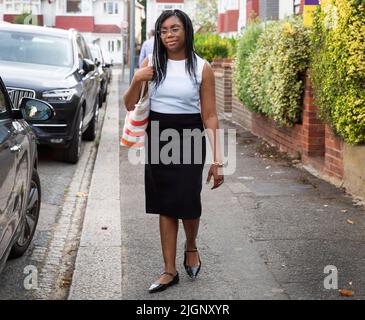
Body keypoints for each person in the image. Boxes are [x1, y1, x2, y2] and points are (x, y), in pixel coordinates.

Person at [123, 9, 224, 293]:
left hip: (190, 135)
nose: (169, 35)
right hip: (158, 135)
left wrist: (218, 160)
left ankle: (191, 245)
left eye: (175, 29)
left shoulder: (201, 67)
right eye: (164, 30)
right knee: (165, 202)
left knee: (188, 199)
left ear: (186, 30)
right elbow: (129, 104)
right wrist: (137, 79)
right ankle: (169, 270)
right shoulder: (151, 63)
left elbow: (211, 116)